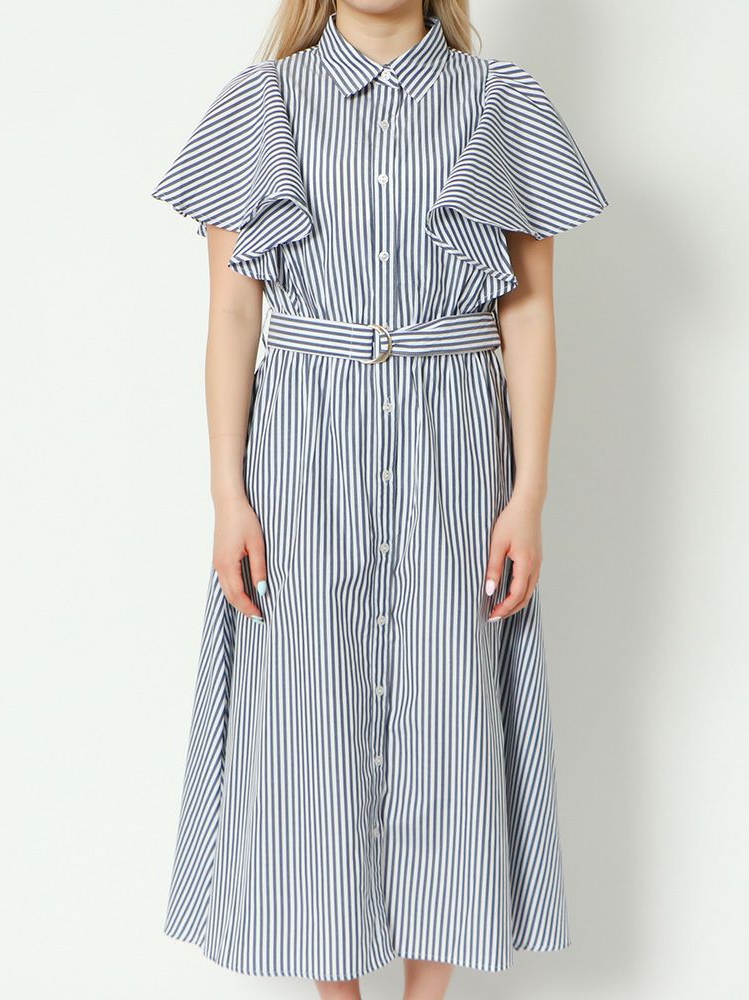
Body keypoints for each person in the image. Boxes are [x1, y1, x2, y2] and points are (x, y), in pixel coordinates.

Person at [151, 1, 608, 997]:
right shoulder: (263, 105)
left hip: (458, 450)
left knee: (450, 711)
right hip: (303, 450)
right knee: (307, 718)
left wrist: (529, 493)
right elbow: (232, 314)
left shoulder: (500, 104)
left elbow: (529, 313)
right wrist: (227, 495)